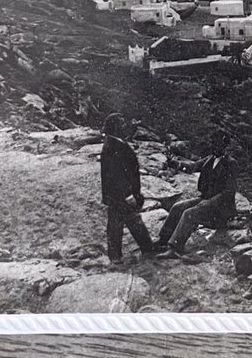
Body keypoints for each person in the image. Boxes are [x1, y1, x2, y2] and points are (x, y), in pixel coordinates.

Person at [155, 135, 240, 257]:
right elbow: (193, 167)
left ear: (225, 147)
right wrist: (175, 163)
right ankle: (163, 241)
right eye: (213, 145)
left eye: (217, 145)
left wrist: (209, 202)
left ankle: (175, 249)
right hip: (206, 201)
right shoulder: (210, 159)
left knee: (189, 214)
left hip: (220, 210)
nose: (214, 148)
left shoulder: (231, 164)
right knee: (178, 207)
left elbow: (229, 192)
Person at [99, 113, 153, 263]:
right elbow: (117, 175)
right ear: (115, 127)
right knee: (128, 221)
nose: (125, 126)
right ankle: (145, 249)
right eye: (121, 124)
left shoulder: (114, 143)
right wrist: (128, 195)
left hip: (117, 194)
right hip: (120, 194)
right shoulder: (113, 146)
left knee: (120, 222)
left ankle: (118, 255)